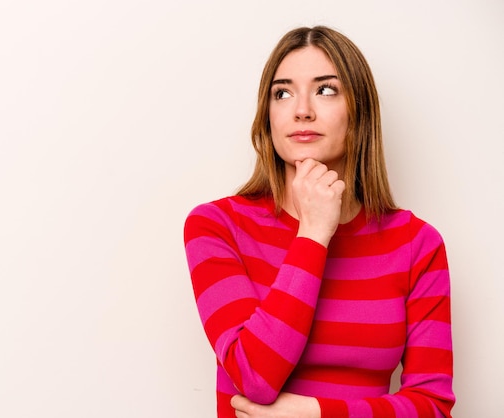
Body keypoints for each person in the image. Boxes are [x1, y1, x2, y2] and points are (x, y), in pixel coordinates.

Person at [183, 26, 454, 418]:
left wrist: (316, 414)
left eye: (326, 89)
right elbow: (253, 375)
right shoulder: (217, 226)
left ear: (358, 111)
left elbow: (433, 407)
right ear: (268, 116)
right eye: (283, 92)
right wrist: (313, 233)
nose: (302, 109)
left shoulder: (416, 244)